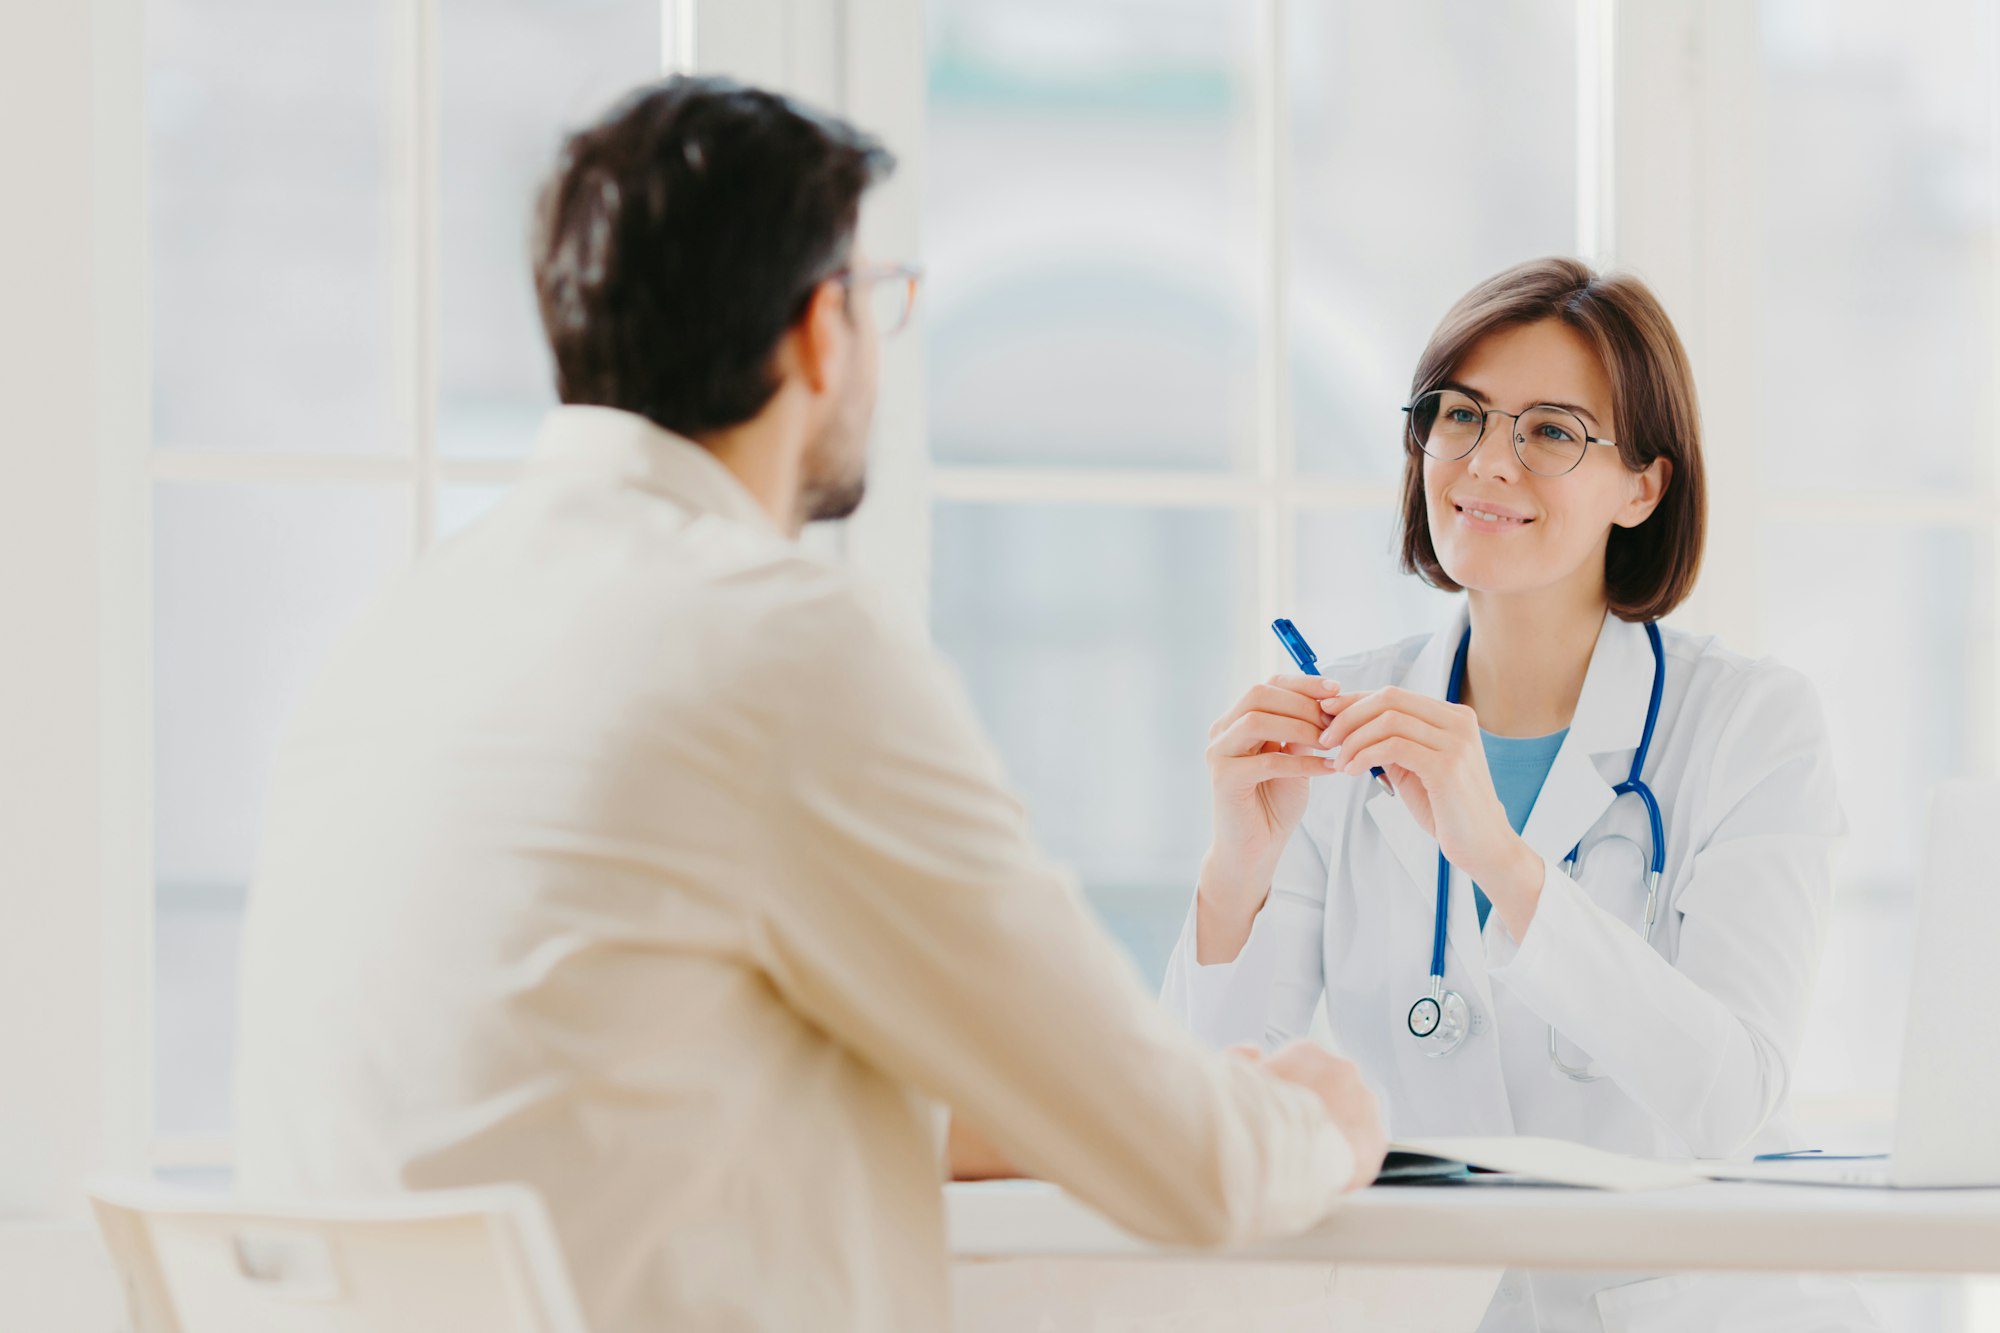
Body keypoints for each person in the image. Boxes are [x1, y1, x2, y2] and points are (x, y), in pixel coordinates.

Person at [232, 76, 1384, 1333]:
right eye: (877, 298)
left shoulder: (403, 630)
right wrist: (1320, 1119)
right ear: (820, 329)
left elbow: (609, 1075)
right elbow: (1189, 1167)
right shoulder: (772, 640)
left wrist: (991, 1114)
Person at [1163, 258, 1877, 1330]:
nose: (1488, 461)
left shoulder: (1747, 725)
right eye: (1460, 415)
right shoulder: (1341, 723)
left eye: (1551, 431)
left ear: (1643, 487)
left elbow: (1729, 1098)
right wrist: (1236, 871)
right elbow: (1204, 1124)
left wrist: (1501, 860)